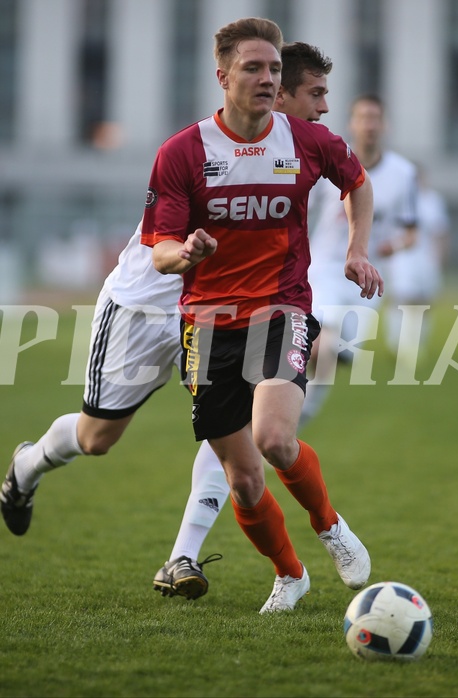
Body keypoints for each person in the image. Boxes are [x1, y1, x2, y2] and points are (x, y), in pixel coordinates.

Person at [0, 39, 336, 604]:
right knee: (96, 436)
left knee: (237, 430)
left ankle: (184, 554)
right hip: (142, 306)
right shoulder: (202, 146)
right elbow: (166, 245)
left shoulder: (297, 151)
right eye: (314, 96)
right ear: (277, 96)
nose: (323, 111)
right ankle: (26, 466)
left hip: (220, 314)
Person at [141, 17, 382, 614]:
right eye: (253, 68)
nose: (268, 79)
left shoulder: (304, 140)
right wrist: (185, 251)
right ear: (222, 76)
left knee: (276, 439)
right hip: (206, 322)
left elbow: (357, 182)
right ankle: (290, 573)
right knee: (244, 482)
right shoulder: (182, 152)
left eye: (274, 69)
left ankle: (329, 526)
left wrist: (356, 251)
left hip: (282, 309)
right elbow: (161, 245)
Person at [302, 93, 418, 424]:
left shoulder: (403, 174)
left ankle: (299, 411)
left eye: (375, 118)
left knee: (333, 352)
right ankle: (290, 414)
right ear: (352, 123)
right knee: (322, 342)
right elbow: (300, 211)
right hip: (324, 269)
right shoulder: (329, 163)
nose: (369, 125)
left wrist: (392, 247)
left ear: (385, 125)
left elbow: (412, 231)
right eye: (362, 118)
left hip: (366, 281)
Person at [386, 162, 450, 361]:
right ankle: (398, 343)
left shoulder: (433, 200)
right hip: (403, 257)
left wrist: (438, 260)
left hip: (426, 259)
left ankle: (417, 343)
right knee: (403, 299)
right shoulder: (397, 199)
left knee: (424, 303)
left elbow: (441, 232)